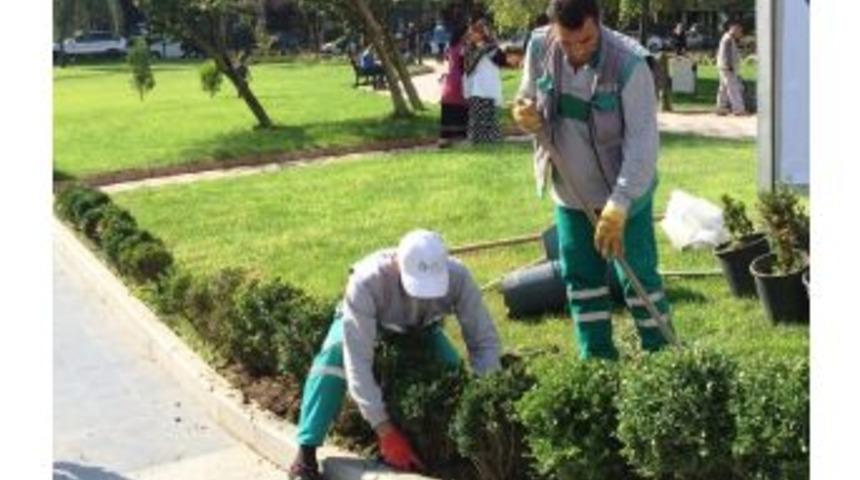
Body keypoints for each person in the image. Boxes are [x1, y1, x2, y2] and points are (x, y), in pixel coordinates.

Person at [512, 0, 674, 360]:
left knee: (638, 279)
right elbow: (527, 93)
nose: (577, 51)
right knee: (581, 280)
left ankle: (664, 359)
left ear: (598, 23)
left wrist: (620, 204)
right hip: (571, 193)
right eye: (567, 43)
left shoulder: (631, 65)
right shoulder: (540, 46)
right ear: (554, 28)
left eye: (586, 40)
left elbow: (643, 145)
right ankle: (598, 362)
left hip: (624, 196)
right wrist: (525, 111)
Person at [287, 230, 502, 480]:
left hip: (423, 331)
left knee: (452, 378)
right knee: (333, 359)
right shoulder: (367, 281)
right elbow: (358, 361)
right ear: (398, 266)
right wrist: (385, 431)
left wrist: (486, 400)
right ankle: (306, 452)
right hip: (371, 326)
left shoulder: (459, 276)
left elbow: (483, 341)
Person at [464, 18, 506, 144]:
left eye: (474, 32)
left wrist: (485, 50)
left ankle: (490, 138)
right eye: (470, 33)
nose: (471, 35)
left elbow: (501, 62)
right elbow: (468, 68)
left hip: (489, 84)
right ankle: (476, 139)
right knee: (476, 113)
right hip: (477, 85)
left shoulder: (491, 48)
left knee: (489, 113)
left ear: (482, 34)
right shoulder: (471, 48)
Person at [438, 24, 469, 148]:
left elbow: (446, 61)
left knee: (448, 109)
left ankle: (445, 139)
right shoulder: (463, 48)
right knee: (460, 108)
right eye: (467, 33)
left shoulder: (450, 47)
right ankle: (460, 139)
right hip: (459, 81)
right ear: (462, 35)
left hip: (449, 80)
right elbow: (464, 65)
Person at [716, 20, 746, 115]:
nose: (740, 33)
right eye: (739, 30)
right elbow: (727, 54)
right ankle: (738, 109)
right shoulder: (728, 39)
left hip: (723, 67)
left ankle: (721, 108)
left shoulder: (727, 38)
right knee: (733, 88)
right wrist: (729, 66)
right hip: (727, 67)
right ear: (734, 29)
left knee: (724, 88)